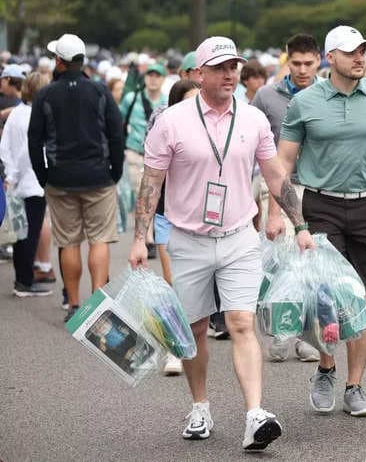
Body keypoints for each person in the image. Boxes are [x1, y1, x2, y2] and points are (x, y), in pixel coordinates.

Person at [128, 36, 313, 450]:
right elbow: (151, 183)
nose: (230, 74)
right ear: (199, 74)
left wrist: (298, 223)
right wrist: (140, 238)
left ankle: (254, 415)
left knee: (242, 323)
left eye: (235, 66)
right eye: (221, 67)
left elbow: (275, 176)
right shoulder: (171, 121)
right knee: (192, 330)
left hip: (238, 239)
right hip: (188, 240)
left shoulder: (251, 120)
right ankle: (200, 407)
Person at [275, 25, 366, 417]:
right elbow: (283, 162)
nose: (360, 58)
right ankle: (326, 368)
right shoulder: (304, 102)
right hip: (320, 204)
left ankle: (355, 386)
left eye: (363, 51)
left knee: (364, 298)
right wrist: (280, 214)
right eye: (351, 52)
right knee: (328, 296)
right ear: (331, 58)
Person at [28, 33, 124, 321]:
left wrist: (43, 175)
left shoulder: (45, 94)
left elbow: (35, 140)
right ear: (81, 61)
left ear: (59, 61)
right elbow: (116, 133)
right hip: (98, 176)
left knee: (68, 242)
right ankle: (98, 305)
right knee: (99, 240)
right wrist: (115, 170)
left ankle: (73, 305)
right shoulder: (99, 91)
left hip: (60, 178)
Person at [251, 33, 322, 363]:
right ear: (286, 60)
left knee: (311, 266)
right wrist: (273, 210)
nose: (303, 69)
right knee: (281, 267)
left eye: (309, 63)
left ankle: (308, 335)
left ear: (319, 60)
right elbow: (252, 143)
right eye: (297, 63)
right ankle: (281, 332)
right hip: (278, 188)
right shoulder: (266, 96)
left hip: (319, 189)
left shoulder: (328, 93)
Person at [145, 79, 202, 376]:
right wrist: (140, 234)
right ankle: (174, 349)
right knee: (174, 282)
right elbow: (151, 178)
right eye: (189, 100)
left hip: (204, 219)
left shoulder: (213, 128)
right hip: (168, 215)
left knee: (198, 288)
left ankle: (194, 341)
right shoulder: (164, 129)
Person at [0, 72, 52, 297]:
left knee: (19, 234)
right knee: (31, 233)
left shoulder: (16, 115)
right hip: (35, 183)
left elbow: (6, 147)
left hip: (15, 183)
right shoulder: (41, 117)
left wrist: (10, 175)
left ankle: (21, 279)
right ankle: (25, 282)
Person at [121, 62, 168, 259]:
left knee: (155, 196)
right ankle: (147, 237)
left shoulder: (167, 100)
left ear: (163, 78)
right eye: (150, 75)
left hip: (160, 159)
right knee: (139, 194)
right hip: (135, 153)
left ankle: (150, 233)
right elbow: (120, 120)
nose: (153, 78)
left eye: (157, 75)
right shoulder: (131, 99)